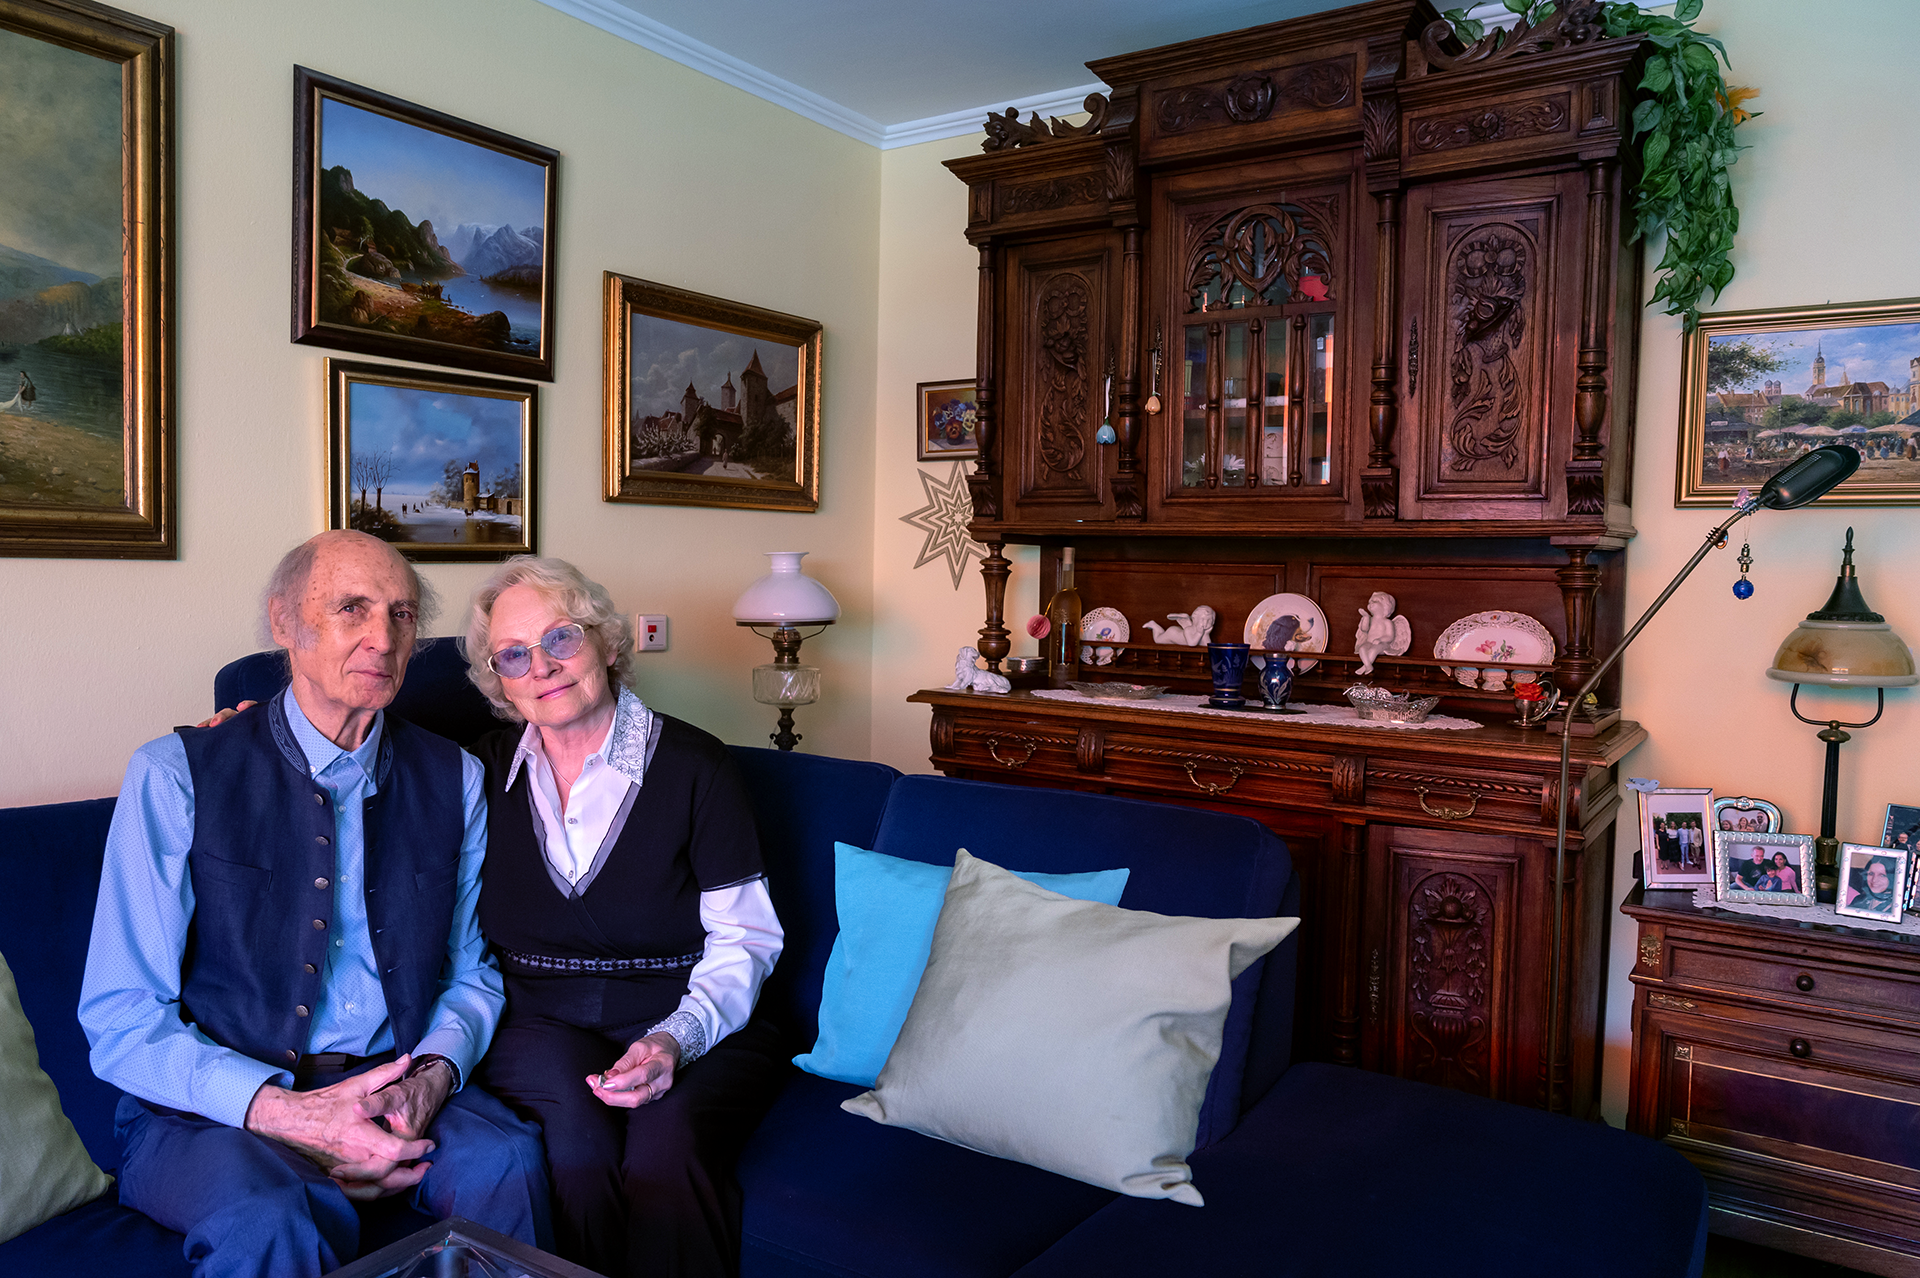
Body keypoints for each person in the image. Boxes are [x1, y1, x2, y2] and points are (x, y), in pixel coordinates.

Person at [80, 530, 550, 1278]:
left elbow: (473, 971)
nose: (382, 637)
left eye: (400, 614)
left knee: (508, 1161)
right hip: (207, 1109)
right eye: (351, 608)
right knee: (268, 1221)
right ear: (284, 623)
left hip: (391, 1079)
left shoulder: (455, 778)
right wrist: (288, 1115)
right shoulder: (176, 776)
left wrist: (430, 1081)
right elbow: (120, 1018)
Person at [464, 556, 786, 1278]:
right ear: (500, 682)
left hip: (689, 1006)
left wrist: (676, 1039)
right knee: (575, 1151)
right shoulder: (475, 773)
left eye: (563, 639)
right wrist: (246, 730)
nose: (543, 666)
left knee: (664, 1150)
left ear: (607, 644)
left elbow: (747, 937)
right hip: (538, 1019)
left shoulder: (698, 767)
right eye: (515, 654)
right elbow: (364, 768)